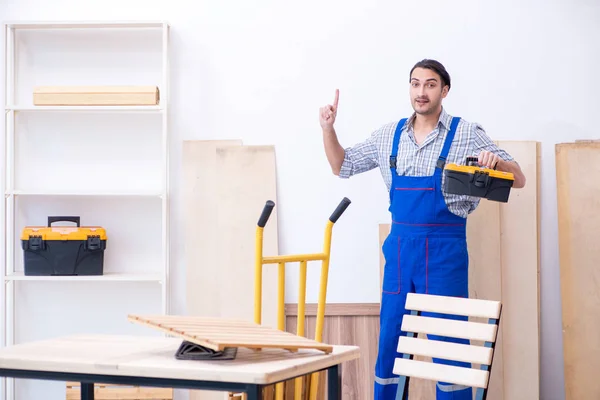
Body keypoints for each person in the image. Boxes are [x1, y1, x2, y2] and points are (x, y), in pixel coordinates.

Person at [319, 59, 526, 400]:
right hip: (400, 253)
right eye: (415, 84)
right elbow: (342, 165)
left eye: (430, 84)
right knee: (390, 346)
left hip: (445, 252)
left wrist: (497, 162)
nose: (421, 91)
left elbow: (518, 179)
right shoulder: (389, 135)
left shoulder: (466, 133)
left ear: (444, 90)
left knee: (450, 348)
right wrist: (328, 129)